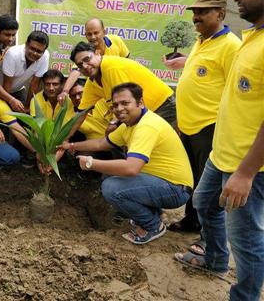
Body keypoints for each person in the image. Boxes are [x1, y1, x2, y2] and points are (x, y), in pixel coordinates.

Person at [174, 0, 264, 301]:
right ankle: (213, 260)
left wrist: (246, 172)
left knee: (246, 237)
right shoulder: (250, 39)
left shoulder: (241, 44)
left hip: (244, 162)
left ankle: (245, 295)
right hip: (220, 152)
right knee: (203, 201)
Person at [60, 83, 192, 244]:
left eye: (125, 103)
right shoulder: (132, 124)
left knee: (112, 187)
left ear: (140, 103)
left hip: (175, 189)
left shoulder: (146, 126)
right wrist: (70, 145)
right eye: (115, 105)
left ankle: (153, 225)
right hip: (160, 181)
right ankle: (153, 214)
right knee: (111, 175)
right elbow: (102, 143)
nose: (119, 108)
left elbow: (131, 168)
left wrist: (91, 163)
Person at [164, 0, 241, 240]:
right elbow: (203, 74)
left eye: (203, 12)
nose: (196, 17)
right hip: (188, 125)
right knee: (192, 178)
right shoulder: (201, 40)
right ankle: (191, 221)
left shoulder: (231, 46)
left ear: (220, 13)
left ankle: (208, 238)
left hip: (209, 126)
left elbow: (237, 90)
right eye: (195, 12)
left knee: (206, 186)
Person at [70, 42, 176, 128]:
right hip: (143, 114)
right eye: (80, 65)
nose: (85, 66)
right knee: (116, 140)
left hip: (163, 105)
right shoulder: (92, 82)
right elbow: (80, 115)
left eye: (87, 59)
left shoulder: (110, 67)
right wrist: (64, 140)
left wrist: (113, 123)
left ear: (97, 53)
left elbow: (124, 101)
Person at [58, 17, 130, 104]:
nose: (93, 37)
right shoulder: (86, 52)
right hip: (100, 91)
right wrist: (65, 91)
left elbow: (127, 60)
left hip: (122, 86)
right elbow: (76, 71)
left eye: (96, 33)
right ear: (85, 35)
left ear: (104, 32)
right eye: (89, 34)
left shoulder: (116, 40)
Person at [0, 31, 50, 112]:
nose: (34, 53)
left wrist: (27, 106)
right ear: (26, 44)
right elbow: (7, 86)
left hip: (18, 90)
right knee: (5, 115)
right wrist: (10, 102)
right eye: (32, 48)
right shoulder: (13, 54)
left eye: (39, 51)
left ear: (44, 51)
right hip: (0, 90)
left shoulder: (45, 56)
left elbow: (35, 84)